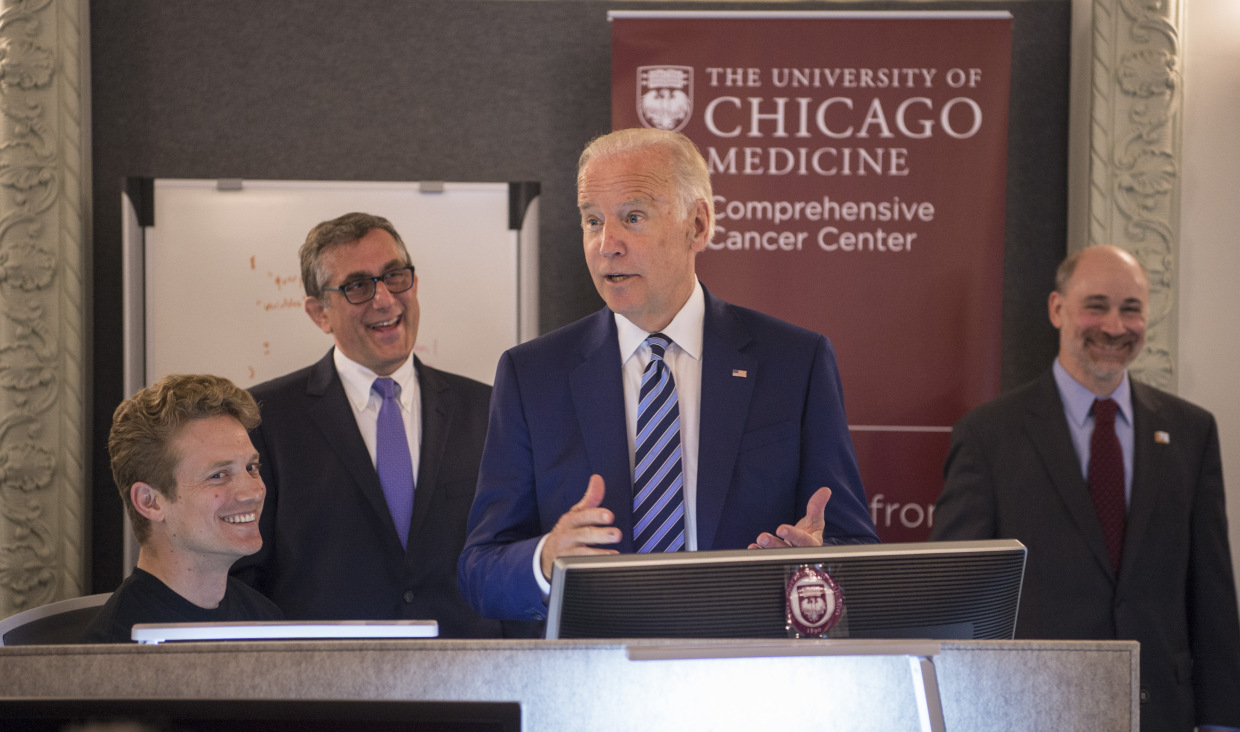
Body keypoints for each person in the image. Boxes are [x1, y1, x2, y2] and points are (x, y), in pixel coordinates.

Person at [458, 128, 878, 623]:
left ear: (697, 225)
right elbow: (479, 571)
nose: (606, 245)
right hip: (594, 680)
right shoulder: (533, 376)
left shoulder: (794, 362)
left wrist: (814, 563)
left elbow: (853, 546)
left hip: (749, 678)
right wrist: (547, 560)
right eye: (592, 221)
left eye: (632, 218)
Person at [929, 245, 1240, 731]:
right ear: (1058, 309)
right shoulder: (989, 435)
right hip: (1031, 711)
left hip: (1160, 712)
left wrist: (1222, 720)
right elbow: (959, 591)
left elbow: (1212, 591)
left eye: (1130, 309)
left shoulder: (1191, 431)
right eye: (1096, 305)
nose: (1114, 326)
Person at [230, 212, 529, 638]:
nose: (385, 299)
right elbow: (245, 575)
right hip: (327, 689)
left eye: (394, 276)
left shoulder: (489, 409)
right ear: (320, 313)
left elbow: (512, 556)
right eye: (357, 286)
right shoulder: (264, 419)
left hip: (468, 683)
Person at [85, 374, 283, 643]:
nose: (253, 492)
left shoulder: (264, 617)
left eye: (252, 468)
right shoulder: (117, 651)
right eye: (218, 475)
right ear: (149, 502)